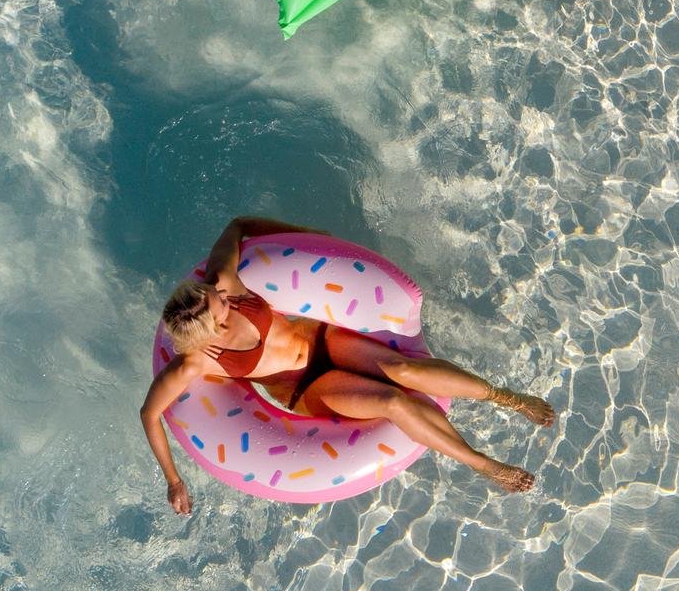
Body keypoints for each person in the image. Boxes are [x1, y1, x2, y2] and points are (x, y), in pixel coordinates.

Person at [139, 216, 555, 511]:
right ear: (209, 327)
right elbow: (150, 413)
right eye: (220, 305)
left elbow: (237, 225)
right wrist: (174, 481)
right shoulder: (193, 365)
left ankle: (508, 398)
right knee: (393, 402)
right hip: (307, 389)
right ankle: (483, 464)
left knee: (403, 370)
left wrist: (310, 236)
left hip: (325, 339)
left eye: (219, 294)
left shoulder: (224, 281)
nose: (224, 295)